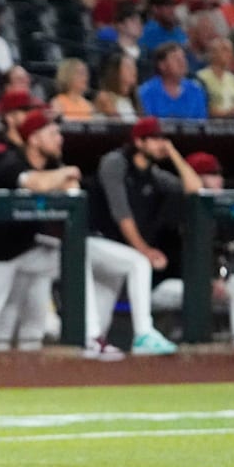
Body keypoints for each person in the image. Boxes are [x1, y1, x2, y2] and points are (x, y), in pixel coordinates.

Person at [0, 109, 77, 353]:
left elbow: (73, 189)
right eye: (52, 133)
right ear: (33, 138)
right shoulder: (10, 160)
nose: (59, 138)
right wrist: (64, 174)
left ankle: (23, 378)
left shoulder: (53, 163)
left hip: (29, 250)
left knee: (33, 320)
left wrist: (63, 176)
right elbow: (39, 183)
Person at [86, 116, 199, 355]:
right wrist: (144, 249)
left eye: (164, 139)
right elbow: (121, 213)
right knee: (139, 263)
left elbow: (194, 189)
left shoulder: (154, 174)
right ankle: (144, 334)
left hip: (115, 252)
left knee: (97, 331)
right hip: (90, 241)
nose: (161, 144)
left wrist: (174, 154)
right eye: (155, 139)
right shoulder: (115, 162)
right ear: (139, 141)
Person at [148, 151, 234, 347]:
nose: (219, 180)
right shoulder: (174, 206)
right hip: (170, 284)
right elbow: (173, 256)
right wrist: (205, 281)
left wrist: (221, 275)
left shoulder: (221, 208)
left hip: (212, 283)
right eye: (212, 175)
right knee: (193, 290)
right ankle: (195, 345)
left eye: (218, 174)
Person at [138, 41, 208, 119]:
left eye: (183, 57)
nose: (182, 62)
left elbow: (201, 125)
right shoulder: (146, 92)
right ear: (162, 65)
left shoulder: (196, 90)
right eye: (175, 58)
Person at [195, 37, 234, 118]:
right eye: (225, 50)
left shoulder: (232, 78)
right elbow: (205, 109)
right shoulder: (201, 77)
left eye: (230, 51)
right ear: (213, 53)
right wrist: (230, 113)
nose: (230, 54)